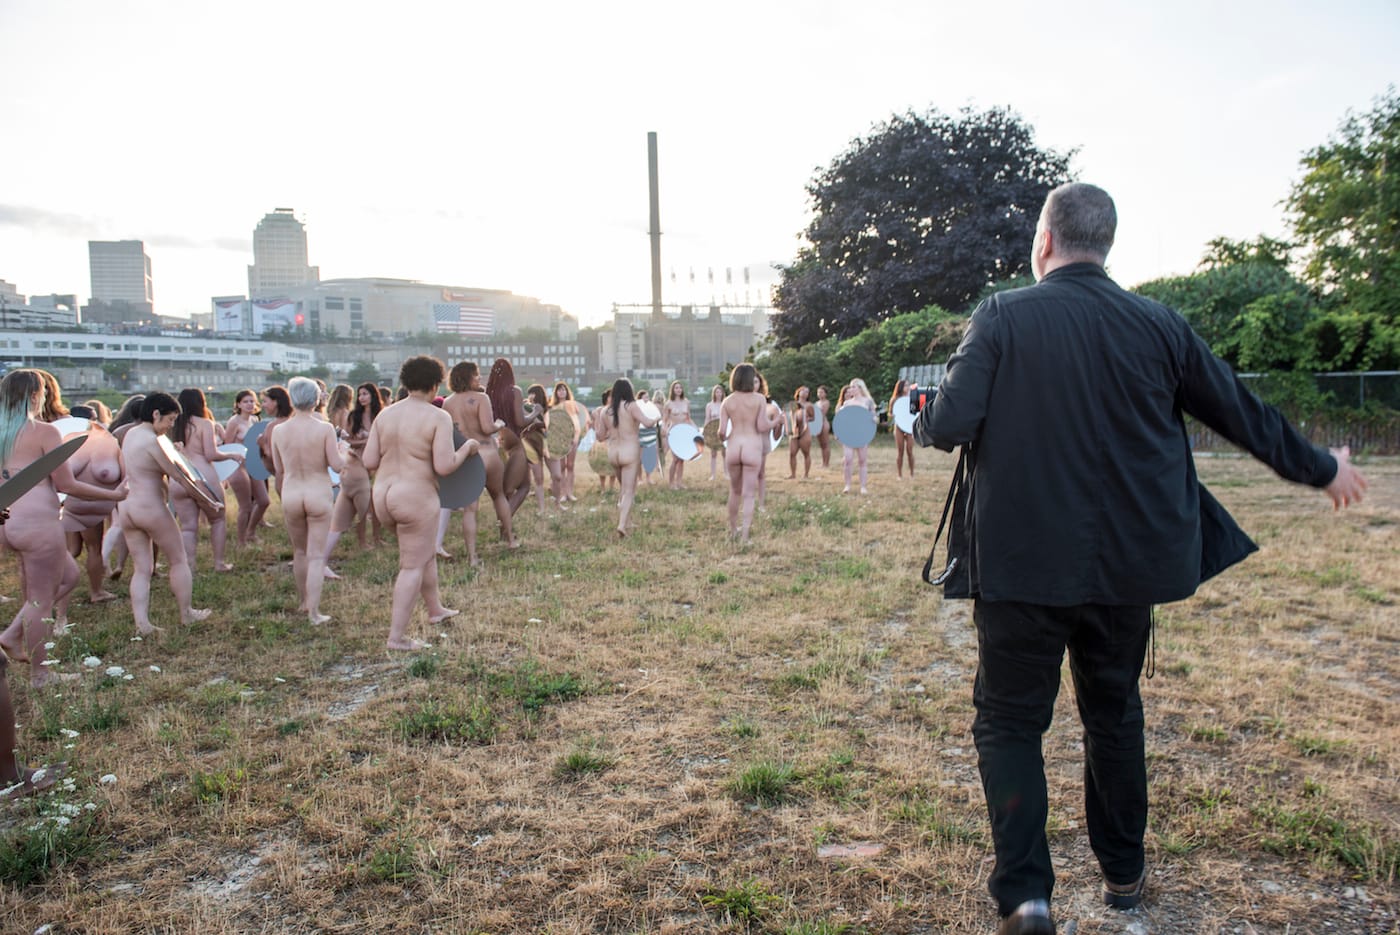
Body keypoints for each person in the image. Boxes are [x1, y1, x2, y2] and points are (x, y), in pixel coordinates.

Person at [912, 182, 1367, 935]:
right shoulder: (1159, 324)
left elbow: (955, 420)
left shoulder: (1002, 314)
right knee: (1114, 711)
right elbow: (1241, 412)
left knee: (1010, 722)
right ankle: (1124, 871)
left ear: (1046, 241)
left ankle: (1027, 898)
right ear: (1106, 243)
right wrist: (1320, 466)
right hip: (1126, 566)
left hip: (1020, 564)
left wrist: (925, 422)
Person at [0, 370, 127, 684]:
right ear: (34, 395)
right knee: (40, 599)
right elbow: (68, 484)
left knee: (68, 576)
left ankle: (12, 635)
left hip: (7, 520)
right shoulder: (44, 432)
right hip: (38, 520)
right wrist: (114, 495)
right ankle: (40, 674)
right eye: (42, 391)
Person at [362, 356, 480, 651]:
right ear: (435, 384)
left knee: (423, 553)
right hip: (414, 495)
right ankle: (397, 638)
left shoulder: (384, 415)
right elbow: (444, 465)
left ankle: (435, 609)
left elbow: (369, 461)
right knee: (411, 565)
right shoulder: (436, 416)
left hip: (382, 494)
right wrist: (467, 448)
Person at [119, 392, 224, 636]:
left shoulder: (131, 434)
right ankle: (186, 613)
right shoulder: (153, 441)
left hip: (127, 507)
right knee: (178, 559)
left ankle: (142, 623)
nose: (171, 426)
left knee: (142, 568)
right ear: (156, 414)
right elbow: (180, 477)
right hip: (150, 506)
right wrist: (209, 502)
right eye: (170, 419)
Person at [272, 377, 345, 625]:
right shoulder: (324, 428)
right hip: (318, 493)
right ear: (316, 400)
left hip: (292, 493)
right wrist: (344, 452)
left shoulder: (279, 431)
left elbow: (278, 468)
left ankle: (304, 602)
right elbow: (336, 465)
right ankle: (315, 612)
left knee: (300, 552)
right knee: (316, 556)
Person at [443, 361, 513, 565]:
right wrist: (499, 424)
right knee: (499, 496)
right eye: (476, 375)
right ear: (467, 377)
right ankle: (510, 540)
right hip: (487, 452)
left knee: (470, 509)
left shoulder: (447, 403)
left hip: (467, 458)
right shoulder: (481, 398)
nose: (480, 378)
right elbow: (487, 427)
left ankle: (472, 556)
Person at [171, 388, 241, 573]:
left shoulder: (172, 425)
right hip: (204, 477)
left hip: (178, 478)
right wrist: (231, 454)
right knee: (217, 520)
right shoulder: (205, 424)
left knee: (187, 527)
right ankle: (219, 563)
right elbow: (210, 454)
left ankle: (190, 566)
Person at [322, 382, 384, 575]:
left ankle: (375, 537)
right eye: (360, 394)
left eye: (365, 394)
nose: (362, 398)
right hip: (356, 464)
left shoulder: (381, 416)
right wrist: (367, 440)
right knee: (363, 507)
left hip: (374, 465)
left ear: (373, 396)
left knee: (374, 505)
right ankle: (362, 541)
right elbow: (348, 440)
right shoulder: (353, 416)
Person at [719, 363, 783, 543]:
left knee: (734, 491)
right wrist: (776, 421)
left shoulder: (727, 401)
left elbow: (722, 432)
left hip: (733, 447)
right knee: (748, 494)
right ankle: (745, 536)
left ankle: (733, 531)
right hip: (751, 447)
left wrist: (719, 436)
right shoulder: (759, 399)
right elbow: (762, 426)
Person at [595, 378, 657, 537]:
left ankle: (628, 521)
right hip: (629, 452)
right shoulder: (631, 406)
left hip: (613, 453)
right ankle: (622, 525)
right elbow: (648, 423)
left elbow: (600, 436)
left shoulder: (605, 411)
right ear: (628, 390)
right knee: (629, 491)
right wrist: (657, 416)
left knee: (624, 489)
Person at [485, 358, 539, 519]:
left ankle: (504, 528)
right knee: (523, 486)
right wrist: (535, 411)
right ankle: (504, 523)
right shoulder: (514, 391)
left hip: (498, 439)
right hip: (514, 440)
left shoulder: (489, 394)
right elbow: (520, 421)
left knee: (505, 490)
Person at [224, 389, 270, 548]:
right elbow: (226, 446)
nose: (250, 404)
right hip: (238, 466)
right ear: (238, 404)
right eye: (245, 401)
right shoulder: (234, 422)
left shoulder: (255, 420)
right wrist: (226, 474)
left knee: (264, 501)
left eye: (252, 401)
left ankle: (251, 532)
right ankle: (241, 541)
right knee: (245, 506)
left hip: (252, 463)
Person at [839, 378, 876, 495]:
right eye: (851, 387)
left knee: (862, 460)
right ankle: (847, 485)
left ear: (860, 388)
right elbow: (842, 419)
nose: (851, 389)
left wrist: (873, 419)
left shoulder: (867, 402)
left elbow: (874, 416)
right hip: (849, 433)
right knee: (848, 460)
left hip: (862, 433)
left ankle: (863, 486)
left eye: (853, 387)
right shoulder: (847, 403)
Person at [551, 381, 585, 502]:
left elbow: (577, 422)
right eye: (559, 390)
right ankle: (562, 493)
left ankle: (570, 492)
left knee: (570, 465)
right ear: (556, 393)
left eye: (564, 389)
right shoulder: (553, 407)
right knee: (561, 466)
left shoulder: (573, 406)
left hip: (572, 438)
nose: (562, 392)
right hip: (560, 440)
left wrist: (576, 437)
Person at [661, 381, 693, 490]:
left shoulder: (686, 402)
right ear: (673, 390)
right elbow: (664, 420)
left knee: (682, 459)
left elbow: (689, 418)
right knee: (675, 459)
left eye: (680, 387)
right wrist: (664, 430)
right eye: (676, 388)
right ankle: (671, 483)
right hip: (673, 432)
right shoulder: (668, 404)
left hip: (684, 432)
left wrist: (695, 427)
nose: (678, 389)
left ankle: (679, 482)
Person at [590, 388, 616, 495]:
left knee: (613, 464)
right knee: (602, 464)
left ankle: (611, 486)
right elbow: (594, 425)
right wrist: (600, 434)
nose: (612, 398)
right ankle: (602, 488)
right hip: (601, 441)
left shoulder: (616, 410)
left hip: (613, 440)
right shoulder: (598, 411)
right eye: (610, 396)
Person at [889, 378, 915, 479]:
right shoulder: (895, 399)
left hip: (909, 427)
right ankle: (899, 474)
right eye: (905, 385)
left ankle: (912, 473)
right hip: (899, 426)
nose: (907, 387)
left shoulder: (912, 398)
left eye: (908, 385)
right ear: (900, 387)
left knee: (909, 450)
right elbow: (890, 413)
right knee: (900, 451)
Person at [787, 386, 813, 479]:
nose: (805, 393)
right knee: (792, 453)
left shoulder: (809, 405)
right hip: (795, 431)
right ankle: (793, 474)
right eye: (803, 391)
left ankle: (806, 474)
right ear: (799, 392)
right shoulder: (793, 404)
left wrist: (806, 419)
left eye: (807, 392)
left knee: (806, 453)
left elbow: (813, 417)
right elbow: (791, 417)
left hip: (805, 431)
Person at [704, 385, 726, 482]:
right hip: (713, 431)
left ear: (722, 393)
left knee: (725, 453)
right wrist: (705, 431)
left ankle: (726, 473)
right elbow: (707, 419)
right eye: (717, 392)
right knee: (713, 453)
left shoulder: (725, 404)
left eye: (720, 392)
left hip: (723, 430)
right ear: (714, 393)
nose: (718, 394)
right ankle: (713, 475)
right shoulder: (709, 405)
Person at [814, 384, 833, 468]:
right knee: (821, 444)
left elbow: (822, 413)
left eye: (821, 392)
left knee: (825, 443)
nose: (819, 394)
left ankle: (827, 463)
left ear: (825, 394)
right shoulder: (816, 403)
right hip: (817, 423)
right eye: (818, 392)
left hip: (823, 423)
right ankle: (823, 462)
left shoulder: (826, 402)